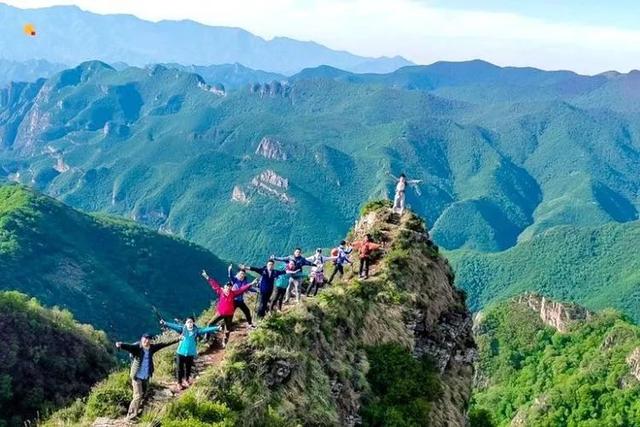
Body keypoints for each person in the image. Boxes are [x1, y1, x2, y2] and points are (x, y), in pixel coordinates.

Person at [115, 333, 178, 420]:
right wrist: (120, 344)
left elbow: (164, 344)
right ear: (141, 339)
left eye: (148, 339)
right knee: (137, 396)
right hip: (137, 376)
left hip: (146, 376)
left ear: (150, 340)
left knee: (144, 394)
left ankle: (138, 409)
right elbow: (129, 347)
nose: (146, 341)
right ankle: (131, 416)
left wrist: (178, 339)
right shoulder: (138, 347)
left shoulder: (152, 348)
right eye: (145, 338)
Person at [160, 317, 221, 390]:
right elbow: (173, 326)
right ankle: (179, 383)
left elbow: (205, 329)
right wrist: (165, 323)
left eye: (191, 322)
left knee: (188, 368)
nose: (190, 323)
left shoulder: (196, 331)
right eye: (188, 322)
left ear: (193, 323)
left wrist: (216, 328)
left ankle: (186, 380)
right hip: (180, 352)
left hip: (190, 353)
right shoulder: (182, 329)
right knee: (180, 369)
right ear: (185, 323)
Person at [202, 270, 253, 347]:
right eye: (227, 287)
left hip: (229, 314)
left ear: (231, 288)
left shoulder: (233, 293)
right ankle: (206, 338)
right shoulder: (220, 292)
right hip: (220, 313)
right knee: (210, 323)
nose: (228, 288)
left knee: (228, 328)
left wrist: (250, 284)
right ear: (224, 287)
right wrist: (207, 277)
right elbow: (214, 284)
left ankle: (225, 342)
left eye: (230, 287)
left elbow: (242, 289)